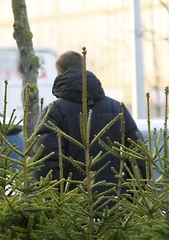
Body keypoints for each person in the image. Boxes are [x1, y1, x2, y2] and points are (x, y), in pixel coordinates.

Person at [35, 51, 141, 190]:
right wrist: (133, 196)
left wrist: (56, 202)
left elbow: (46, 164)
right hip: (116, 203)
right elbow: (139, 157)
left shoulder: (54, 112)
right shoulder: (117, 109)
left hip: (71, 206)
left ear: (59, 75)